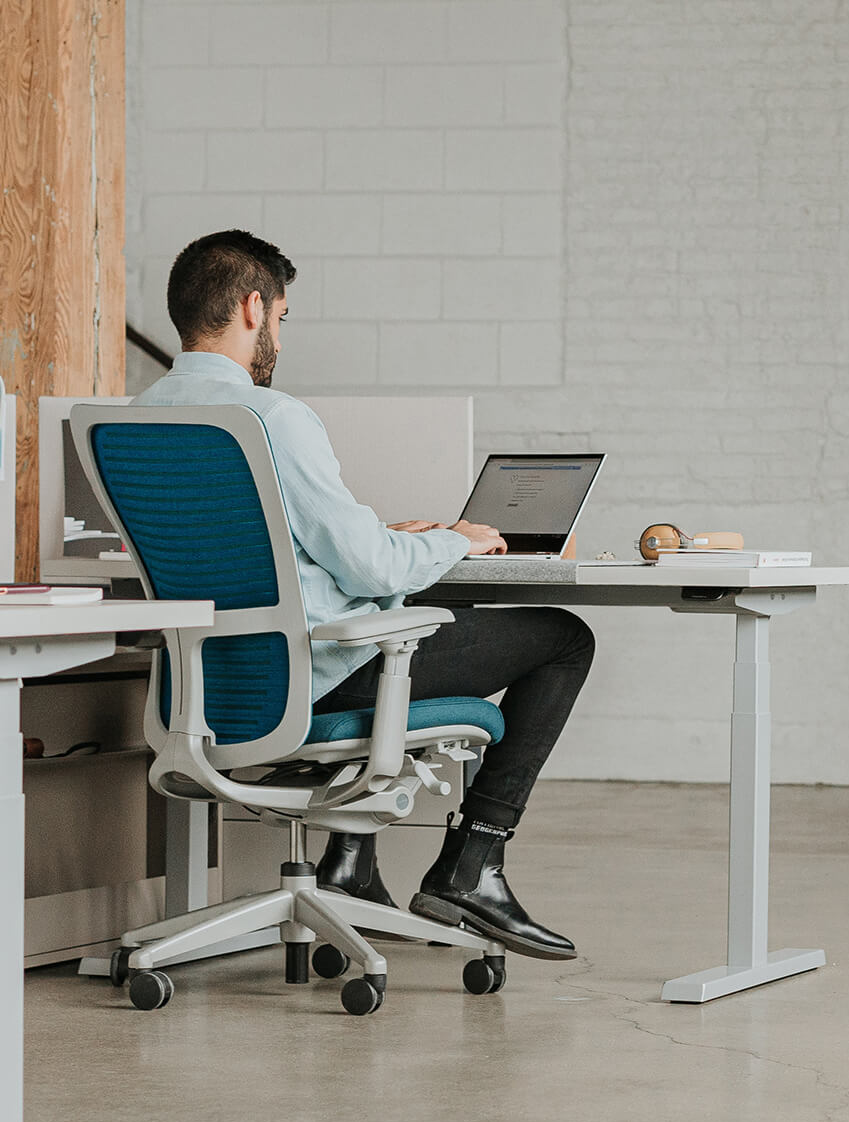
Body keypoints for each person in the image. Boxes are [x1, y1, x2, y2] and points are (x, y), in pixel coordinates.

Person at [132, 229, 590, 961]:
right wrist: (457, 541)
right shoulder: (271, 418)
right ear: (254, 308)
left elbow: (259, 547)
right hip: (318, 681)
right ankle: (474, 864)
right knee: (564, 638)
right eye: (281, 317)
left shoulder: (136, 419)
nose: (278, 334)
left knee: (442, 617)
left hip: (213, 688)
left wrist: (382, 533)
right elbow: (373, 573)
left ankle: (350, 865)